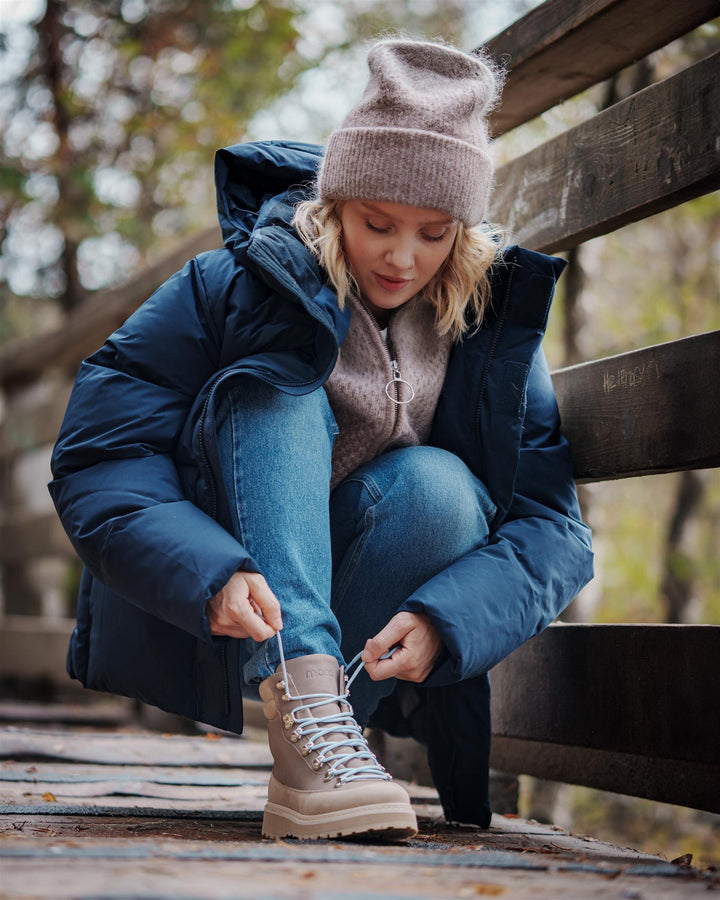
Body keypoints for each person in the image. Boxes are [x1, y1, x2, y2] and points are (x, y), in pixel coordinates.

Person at [49, 38, 594, 841]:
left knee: (443, 485)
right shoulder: (232, 285)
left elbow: (553, 526)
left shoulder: (483, 320)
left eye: (434, 233)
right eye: (378, 224)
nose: (403, 258)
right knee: (277, 384)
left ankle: (322, 733)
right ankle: (305, 713)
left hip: (358, 638)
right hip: (235, 607)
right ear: (337, 200)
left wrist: (449, 620)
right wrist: (207, 568)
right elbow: (99, 452)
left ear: (463, 231)